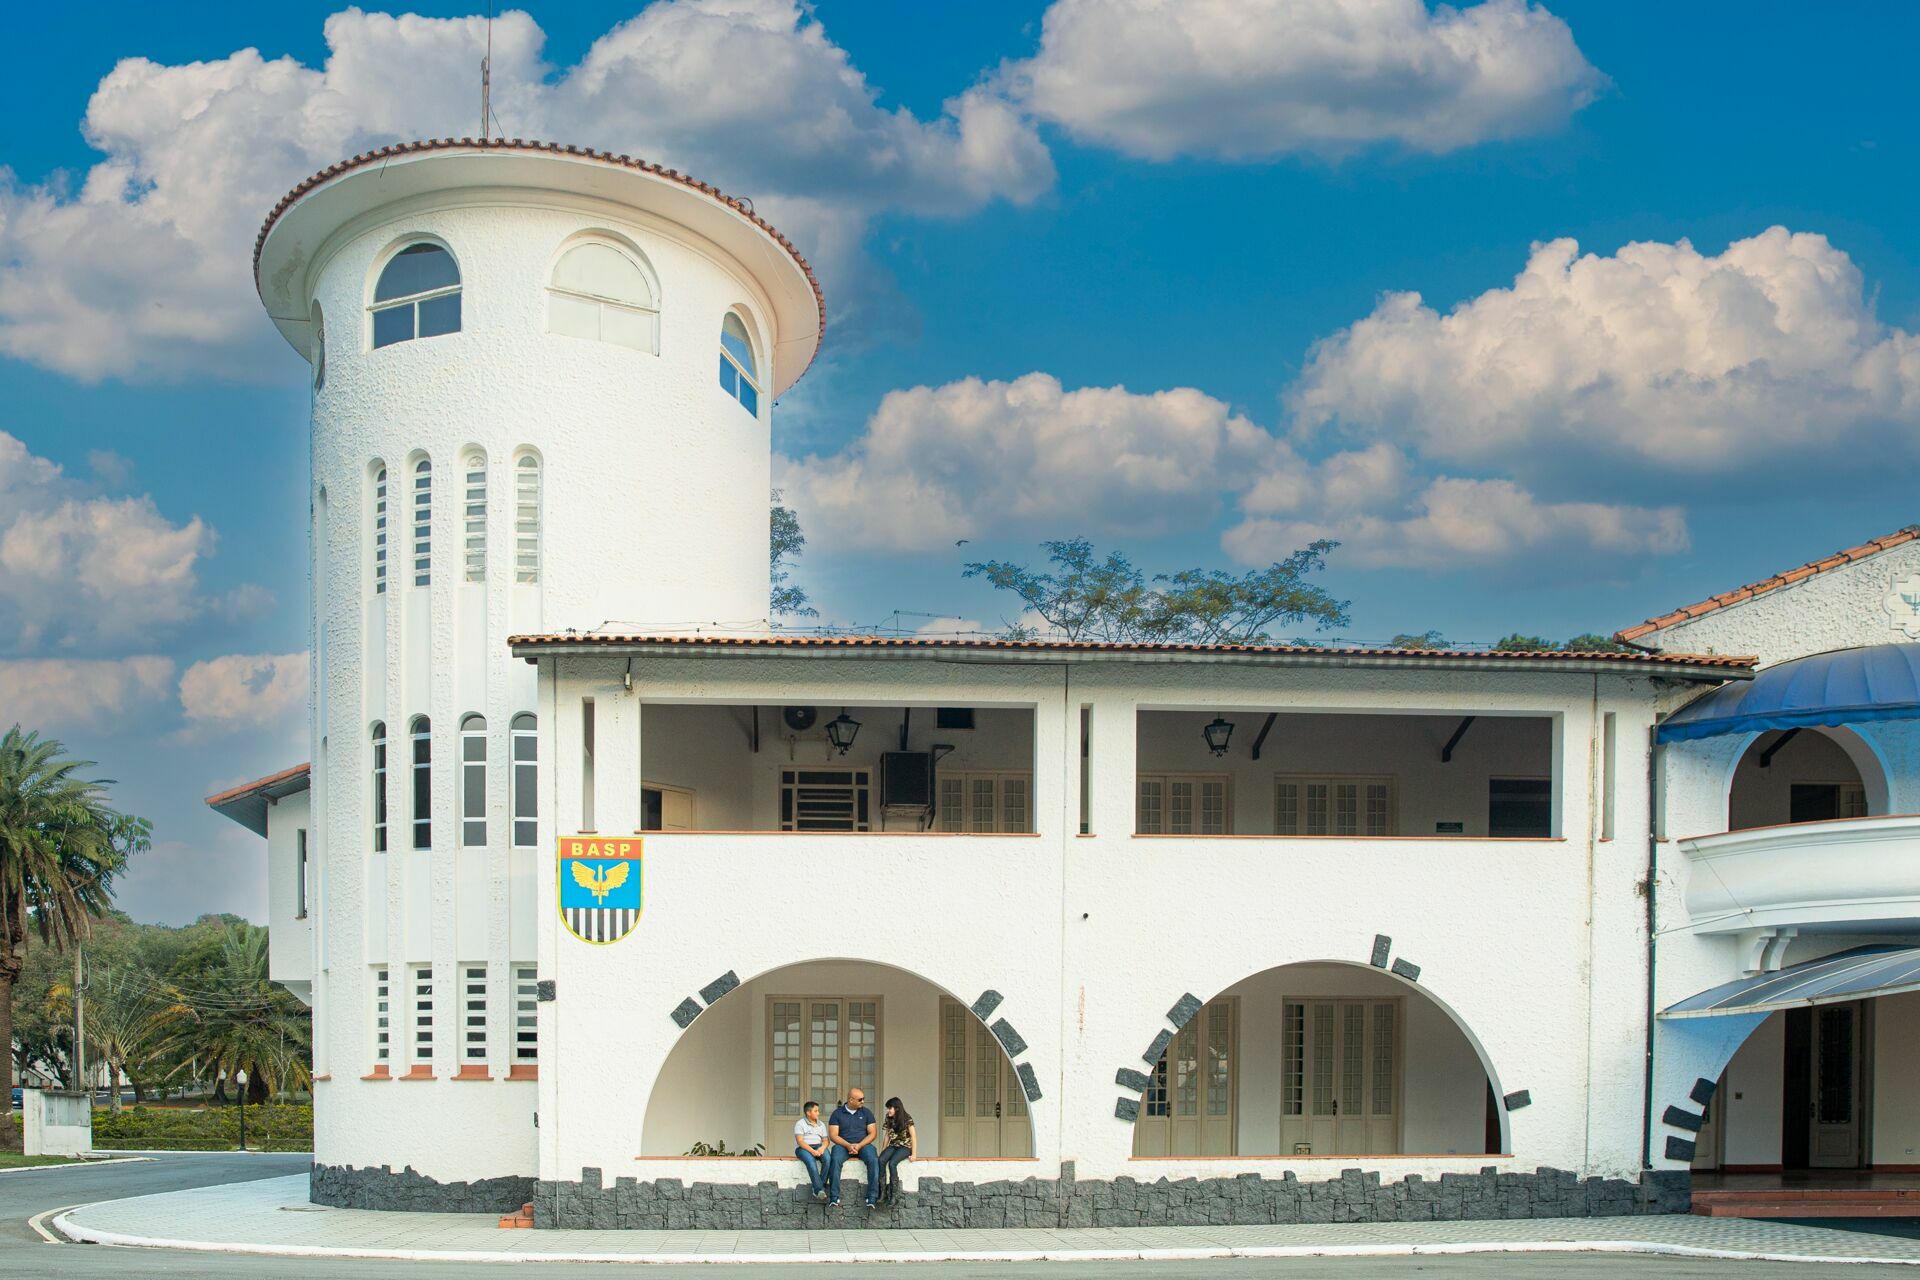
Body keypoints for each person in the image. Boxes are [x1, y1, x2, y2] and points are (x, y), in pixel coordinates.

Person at [825, 1087, 880, 1209]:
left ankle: (872, 1197)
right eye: (860, 1099)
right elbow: (833, 1135)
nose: (863, 1102)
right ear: (851, 1100)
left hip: (863, 1144)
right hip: (843, 1145)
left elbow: (873, 1133)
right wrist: (848, 1145)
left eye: (863, 1099)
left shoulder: (866, 1112)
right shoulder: (837, 1114)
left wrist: (859, 1145)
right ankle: (834, 1198)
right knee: (834, 1160)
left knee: (874, 1160)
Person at [876, 1096, 916, 1208]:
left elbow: (913, 1137)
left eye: (890, 1108)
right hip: (893, 1145)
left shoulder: (907, 1119)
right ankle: (883, 1192)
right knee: (881, 1160)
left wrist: (914, 1154)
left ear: (897, 1109)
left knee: (892, 1163)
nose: (888, 1110)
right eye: (888, 1108)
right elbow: (887, 1136)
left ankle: (894, 1195)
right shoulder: (888, 1118)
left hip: (905, 1147)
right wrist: (883, 1150)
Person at [793, 1100, 830, 1203]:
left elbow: (826, 1141)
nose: (818, 1113)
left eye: (818, 1111)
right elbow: (800, 1141)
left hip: (818, 1146)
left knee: (828, 1159)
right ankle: (819, 1189)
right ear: (808, 1112)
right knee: (811, 1162)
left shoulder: (821, 1124)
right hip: (803, 1148)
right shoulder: (800, 1124)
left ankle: (818, 1189)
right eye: (816, 1111)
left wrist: (822, 1148)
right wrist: (812, 1152)